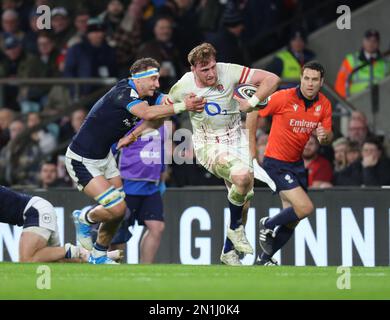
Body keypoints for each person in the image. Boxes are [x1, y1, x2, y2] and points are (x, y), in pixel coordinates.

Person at [147, 43, 280, 265]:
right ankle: (235, 229)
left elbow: (273, 79)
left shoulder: (228, 71)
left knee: (244, 201)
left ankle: (228, 252)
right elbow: (163, 112)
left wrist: (251, 102)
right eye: (204, 70)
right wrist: (145, 130)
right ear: (193, 70)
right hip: (208, 143)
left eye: (212, 67)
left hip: (236, 140)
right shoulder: (183, 87)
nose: (211, 73)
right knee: (242, 177)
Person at [65, 57, 205, 264]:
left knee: (118, 213)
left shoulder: (148, 95)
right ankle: (84, 219)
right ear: (138, 79)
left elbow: (163, 108)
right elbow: (147, 113)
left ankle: (98, 254)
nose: (157, 84)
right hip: (82, 159)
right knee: (118, 208)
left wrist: (188, 96)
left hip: (105, 158)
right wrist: (184, 105)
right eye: (153, 79)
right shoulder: (123, 93)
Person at [246, 61, 333, 265]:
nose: (309, 84)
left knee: (293, 219)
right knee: (305, 207)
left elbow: (327, 137)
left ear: (321, 82)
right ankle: (267, 223)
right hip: (276, 163)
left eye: (314, 80)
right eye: (306, 78)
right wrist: (251, 151)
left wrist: (325, 136)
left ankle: (263, 259)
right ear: (301, 78)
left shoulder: (325, 104)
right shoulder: (283, 97)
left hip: (296, 164)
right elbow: (253, 110)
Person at [0, 185, 81, 262]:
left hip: (36, 211)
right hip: (37, 210)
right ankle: (86, 256)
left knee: (26, 259)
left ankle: (76, 251)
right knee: (56, 259)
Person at [334, 29, 390, 98]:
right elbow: (340, 84)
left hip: (381, 99)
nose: (371, 43)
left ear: (379, 43)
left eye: (374, 41)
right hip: (356, 101)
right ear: (363, 41)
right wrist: (346, 103)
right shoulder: (351, 60)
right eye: (368, 40)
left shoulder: (385, 63)